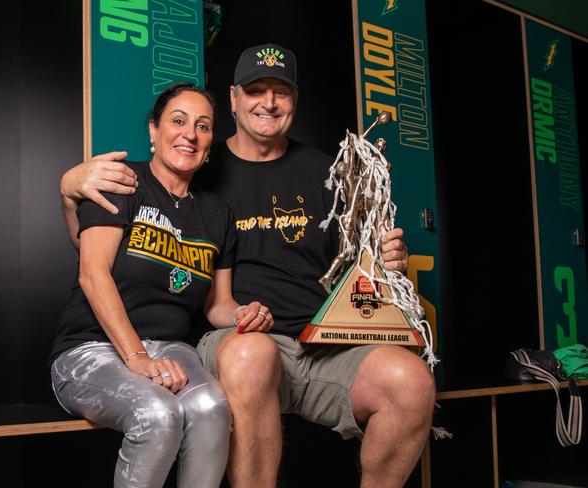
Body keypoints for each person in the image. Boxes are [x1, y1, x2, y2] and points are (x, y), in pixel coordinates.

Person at [60, 44, 435, 488]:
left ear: (295, 102)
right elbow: (101, 251)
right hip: (241, 348)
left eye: (282, 92)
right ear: (235, 99)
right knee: (251, 352)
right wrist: (69, 187)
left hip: (324, 345)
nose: (269, 103)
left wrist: (387, 262)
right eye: (256, 90)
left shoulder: (328, 172)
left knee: (413, 381)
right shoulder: (200, 165)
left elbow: (360, 264)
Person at [50, 82, 274, 488]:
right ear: (154, 131)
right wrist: (136, 357)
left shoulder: (217, 213)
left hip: (169, 349)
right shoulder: (123, 182)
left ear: (209, 143)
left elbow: (216, 305)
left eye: (203, 126)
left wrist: (242, 312)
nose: (190, 133)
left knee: (211, 407)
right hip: (90, 348)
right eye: (178, 121)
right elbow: (92, 273)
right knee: (158, 415)